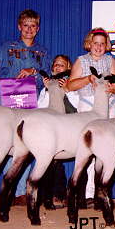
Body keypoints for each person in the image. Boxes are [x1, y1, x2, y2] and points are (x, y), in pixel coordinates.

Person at [0, 9, 51, 205]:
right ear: (19, 27)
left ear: (38, 29)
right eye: (25, 25)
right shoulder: (6, 46)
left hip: (29, 101)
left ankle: (16, 192)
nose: (29, 29)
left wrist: (34, 71)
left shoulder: (43, 52)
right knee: (2, 144)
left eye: (33, 26)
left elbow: (47, 79)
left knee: (25, 146)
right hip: (6, 99)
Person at [63, 27, 115, 205]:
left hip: (109, 105)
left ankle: (102, 193)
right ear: (89, 44)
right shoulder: (81, 60)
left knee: (109, 150)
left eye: (102, 44)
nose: (99, 46)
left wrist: (114, 88)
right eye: (95, 43)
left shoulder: (111, 60)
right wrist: (87, 79)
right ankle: (86, 195)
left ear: (106, 46)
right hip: (88, 106)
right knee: (87, 151)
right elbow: (69, 86)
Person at [37, 54, 77, 208]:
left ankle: (57, 194)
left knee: (56, 162)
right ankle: (48, 195)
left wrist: (66, 89)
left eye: (62, 65)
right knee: (49, 161)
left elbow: (77, 106)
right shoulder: (46, 89)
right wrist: (49, 90)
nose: (58, 67)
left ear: (69, 69)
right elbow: (40, 107)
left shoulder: (72, 86)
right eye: (56, 64)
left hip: (66, 130)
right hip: (48, 130)